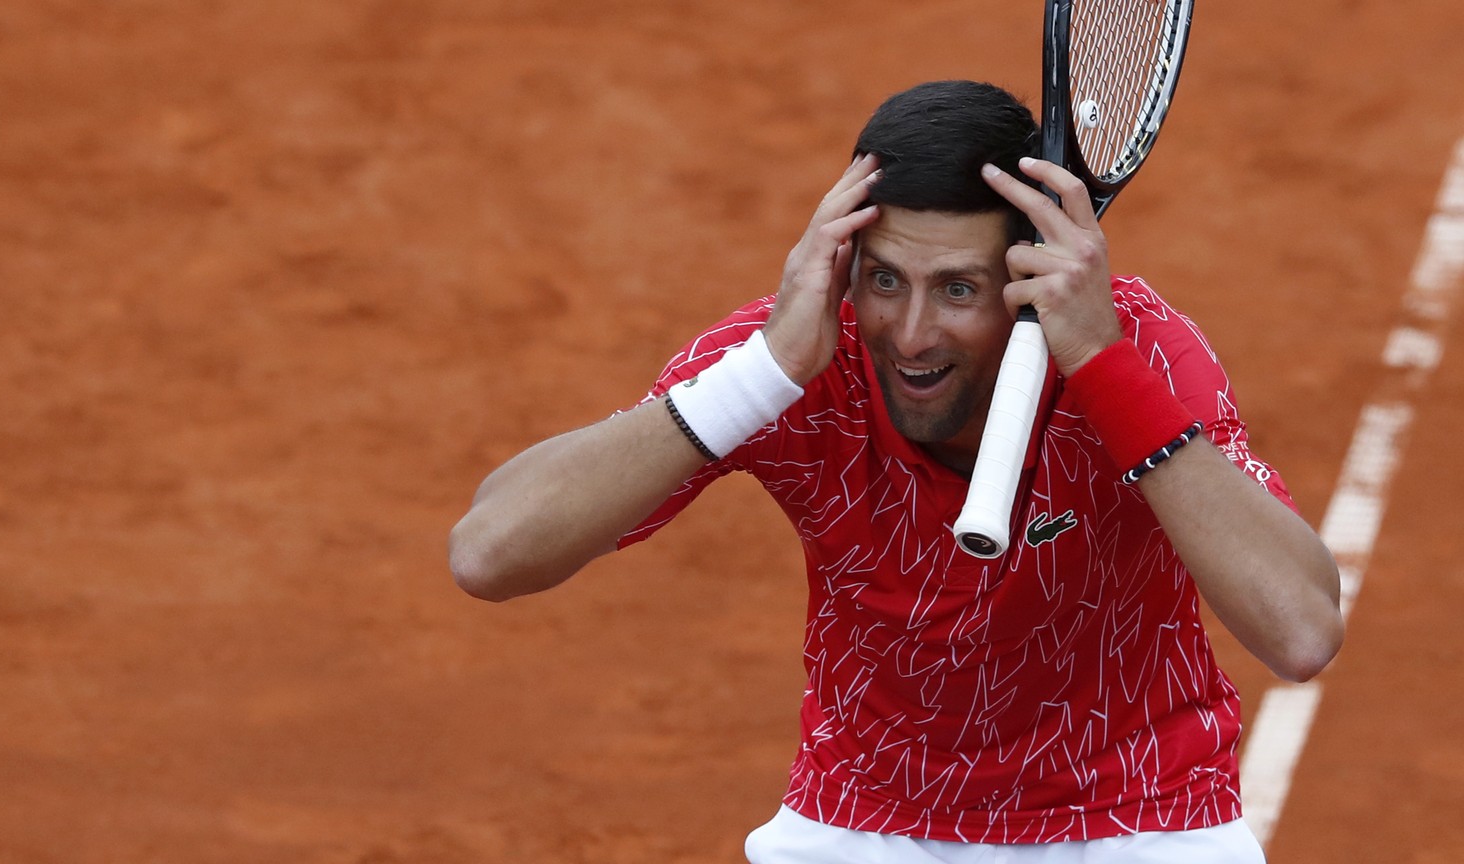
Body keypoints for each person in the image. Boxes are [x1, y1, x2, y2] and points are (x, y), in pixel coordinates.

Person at [448, 80, 1343, 863]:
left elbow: (1300, 633)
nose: (910, 334)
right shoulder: (797, 351)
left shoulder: (1133, 347)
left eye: (957, 288)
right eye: (884, 281)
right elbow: (490, 554)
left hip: (1140, 818)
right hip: (863, 822)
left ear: (1027, 274)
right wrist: (764, 373)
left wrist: (1104, 370)